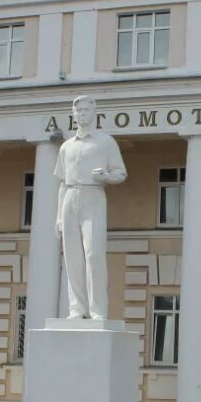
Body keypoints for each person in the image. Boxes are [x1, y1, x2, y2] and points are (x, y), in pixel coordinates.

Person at [54, 96, 127, 319]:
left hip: (93, 196)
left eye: (86, 110)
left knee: (94, 254)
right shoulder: (66, 146)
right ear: (73, 115)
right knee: (72, 258)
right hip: (70, 197)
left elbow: (121, 173)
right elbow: (62, 183)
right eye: (78, 111)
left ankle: (97, 310)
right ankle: (77, 309)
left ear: (94, 113)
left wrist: (106, 176)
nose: (82, 114)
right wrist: (58, 217)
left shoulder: (105, 142)